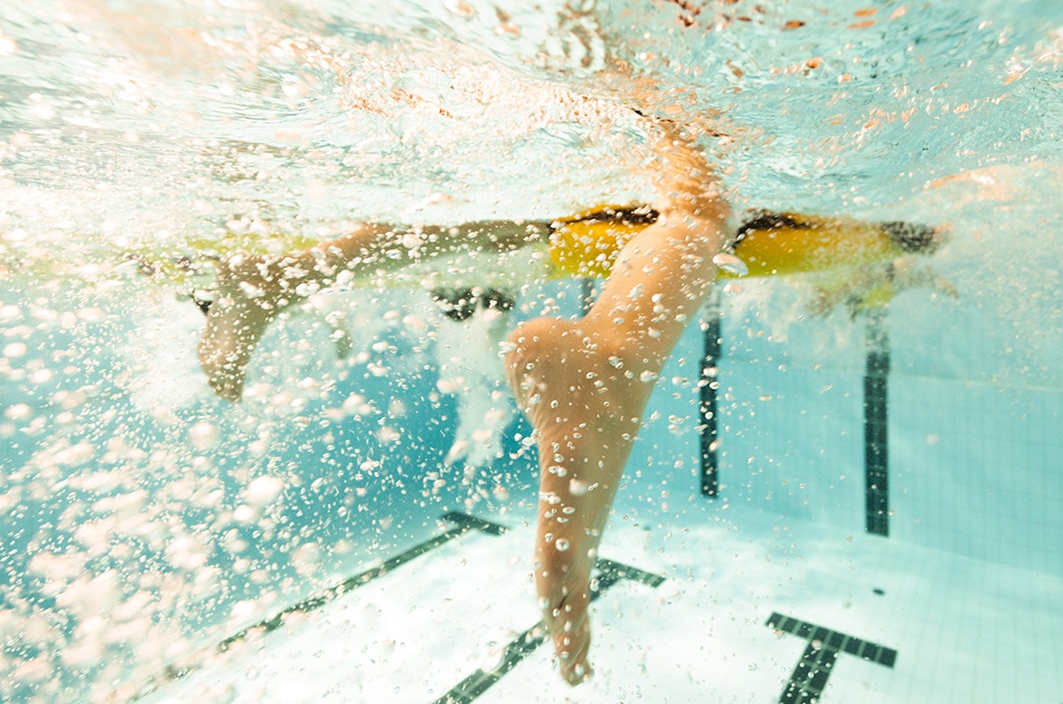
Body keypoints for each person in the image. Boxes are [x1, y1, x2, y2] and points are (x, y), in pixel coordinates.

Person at [190, 119, 950, 684]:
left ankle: (274, 281)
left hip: (576, 211)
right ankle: (613, 349)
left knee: (495, 226)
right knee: (699, 208)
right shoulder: (895, 236)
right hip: (653, 212)